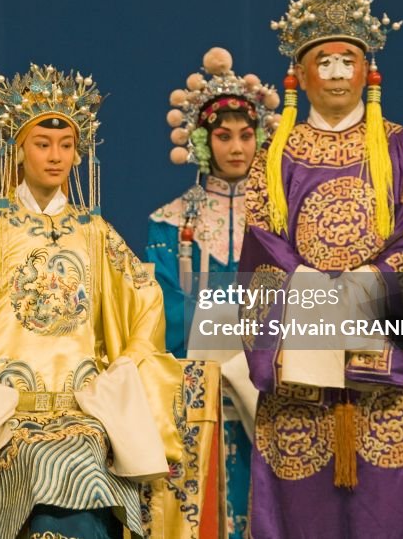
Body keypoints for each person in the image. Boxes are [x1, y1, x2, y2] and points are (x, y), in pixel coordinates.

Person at [0, 64, 182, 539]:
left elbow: (146, 301)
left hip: (82, 412)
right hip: (1, 414)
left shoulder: (94, 232)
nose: (55, 156)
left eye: (66, 145)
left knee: (87, 458)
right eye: (42, 143)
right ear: (17, 149)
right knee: (36, 459)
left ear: (79, 154)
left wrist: (124, 370)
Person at [240, 0, 403, 537]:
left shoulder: (402, 149)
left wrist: (368, 284)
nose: (333, 73)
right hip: (299, 373)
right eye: (321, 60)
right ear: (298, 75)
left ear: (366, 71)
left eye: (346, 60)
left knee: (387, 512)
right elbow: (261, 254)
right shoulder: (276, 154)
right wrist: (312, 291)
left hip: (379, 372)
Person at [146, 46, 277, 538]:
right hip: (195, 386)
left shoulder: (282, 220)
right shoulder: (169, 221)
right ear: (201, 141)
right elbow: (160, 308)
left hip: (269, 383)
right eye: (223, 136)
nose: (236, 147)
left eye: (246, 135)